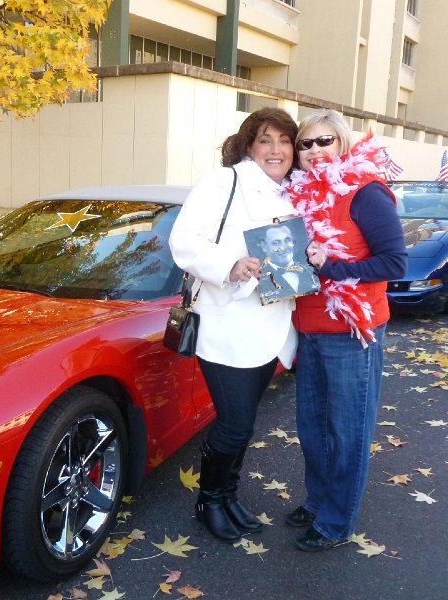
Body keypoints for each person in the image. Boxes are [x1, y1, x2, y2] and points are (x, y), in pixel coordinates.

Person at [169, 107, 299, 542]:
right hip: (228, 325)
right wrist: (231, 264)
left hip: (271, 325)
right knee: (235, 424)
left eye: (284, 141)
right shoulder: (225, 182)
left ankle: (227, 495)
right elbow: (184, 240)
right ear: (248, 145)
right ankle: (209, 499)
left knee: (243, 423)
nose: (276, 149)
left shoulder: (291, 193)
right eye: (266, 140)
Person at [285, 109, 407, 552]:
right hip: (309, 326)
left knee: (347, 429)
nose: (315, 151)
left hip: (352, 331)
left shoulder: (365, 192)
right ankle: (318, 501)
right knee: (312, 427)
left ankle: (337, 521)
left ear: (342, 143)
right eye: (306, 144)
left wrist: (332, 266)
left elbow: (395, 263)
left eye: (325, 142)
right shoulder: (293, 195)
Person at [259, 223, 318, 296]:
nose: (283, 247)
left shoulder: (310, 271)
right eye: (275, 243)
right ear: (264, 246)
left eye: (287, 240)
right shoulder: (260, 277)